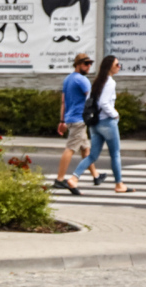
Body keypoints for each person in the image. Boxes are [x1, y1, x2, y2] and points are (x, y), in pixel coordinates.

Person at [64, 55, 132, 195]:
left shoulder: (97, 82)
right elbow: (104, 103)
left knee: (92, 155)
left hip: (95, 124)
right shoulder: (110, 82)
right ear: (110, 67)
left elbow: (90, 100)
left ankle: (74, 179)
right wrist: (115, 114)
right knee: (115, 154)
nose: (119, 66)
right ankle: (119, 184)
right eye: (117, 64)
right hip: (107, 122)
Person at [53, 53, 104, 190]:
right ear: (78, 65)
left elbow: (63, 102)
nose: (88, 67)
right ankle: (59, 179)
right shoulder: (82, 80)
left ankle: (96, 176)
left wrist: (62, 120)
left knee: (85, 149)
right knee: (70, 148)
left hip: (71, 118)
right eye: (86, 64)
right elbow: (93, 99)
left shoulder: (68, 79)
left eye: (90, 64)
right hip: (79, 120)